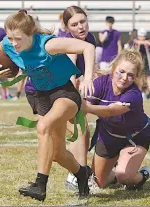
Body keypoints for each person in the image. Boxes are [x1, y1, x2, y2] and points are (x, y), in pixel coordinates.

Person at [0, 9, 95, 201]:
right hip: (42, 96)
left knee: (43, 126)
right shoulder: (10, 43)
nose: (13, 43)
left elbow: (88, 47)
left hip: (64, 93)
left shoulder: (48, 44)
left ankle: (40, 185)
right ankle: (82, 173)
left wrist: (87, 79)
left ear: (31, 34)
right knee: (57, 154)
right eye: (10, 38)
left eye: (18, 38)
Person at [82, 49, 150, 191]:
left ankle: (142, 176)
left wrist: (85, 108)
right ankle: (114, 168)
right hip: (108, 135)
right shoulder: (100, 83)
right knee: (99, 183)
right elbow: (84, 106)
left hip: (135, 137)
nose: (124, 77)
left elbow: (111, 110)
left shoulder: (134, 94)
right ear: (113, 68)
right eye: (121, 71)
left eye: (131, 75)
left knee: (124, 176)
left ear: (136, 77)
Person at [60, 5, 96, 190]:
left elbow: (84, 71)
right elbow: (70, 78)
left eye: (83, 21)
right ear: (67, 28)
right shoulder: (68, 44)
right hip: (53, 93)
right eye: (74, 24)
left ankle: (75, 175)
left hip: (67, 90)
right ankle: (79, 176)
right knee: (80, 130)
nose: (81, 27)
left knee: (83, 132)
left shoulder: (90, 39)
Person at [133, 28, 150, 100]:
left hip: (146, 62)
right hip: (139, 62)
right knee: (140, 79)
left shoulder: (148, 41)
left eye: (143, 36)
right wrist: (146, 42)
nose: (142, 38)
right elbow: (137, 42)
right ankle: (142, 93)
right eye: (140, 36)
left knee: (148, 78)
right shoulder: (136, 41)